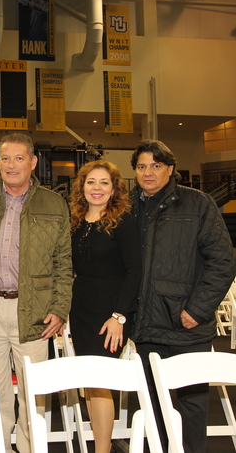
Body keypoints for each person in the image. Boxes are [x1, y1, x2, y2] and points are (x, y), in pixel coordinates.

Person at [129, 140, 236, 453]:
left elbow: (223, 262)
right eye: (142, 166)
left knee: (192, 407)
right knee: (152, 403)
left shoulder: (198, 203)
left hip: (187, 326)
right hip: (146, 326)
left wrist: (198, 309)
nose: (149, 172)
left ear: (170, 169)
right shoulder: (126, 207)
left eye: (156, 165)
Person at [0, 133, 72, 453]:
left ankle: (30, 449)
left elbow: (64, 263)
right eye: (5, 159)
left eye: (18, 158)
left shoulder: (54, 203)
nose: (11, 165)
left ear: (33, 162)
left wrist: (59, 308)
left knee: (33, 392)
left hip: (35, 311)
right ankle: (0, 447)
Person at [67, 160, 142, 453]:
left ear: (114, 189)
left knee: (100, 382)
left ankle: (101, 449)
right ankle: (103, 445)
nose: (96, 188)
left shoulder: (123, 221)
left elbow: (134, 271)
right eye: (91, 182)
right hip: (82, 311)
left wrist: (119, 316)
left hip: (110, 314)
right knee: (90, 382)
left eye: (104, 183)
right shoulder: (76, 220)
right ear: (81, 187)